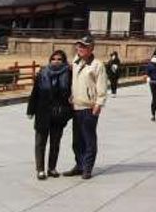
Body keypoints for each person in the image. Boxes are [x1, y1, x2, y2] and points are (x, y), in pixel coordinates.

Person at [63, 35, 108, 179]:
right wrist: (72, 95)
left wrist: (99, 104)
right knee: (77, 140)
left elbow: (102, 86)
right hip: (76, 106)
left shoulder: (97, 65)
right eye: (79, 46)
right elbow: (74, 82)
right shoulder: (75, 62)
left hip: (89, 107)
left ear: (91, 48)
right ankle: (79, 164)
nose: (80, 49)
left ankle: (87, 167)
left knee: (88, 138)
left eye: (84, 46)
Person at [27, 49, 72, 180]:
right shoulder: (43, 73)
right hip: (42, 112)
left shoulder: (69, 73)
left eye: (59, 59)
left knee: (55, 143)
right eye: (54, 59)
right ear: (50, 60)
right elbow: (35, 92)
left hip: (59, 113)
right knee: (40, 142)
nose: (56, 62)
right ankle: (40, 169)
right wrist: (30, 110)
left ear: (64, 61)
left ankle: (52, 168)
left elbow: (72, 92)